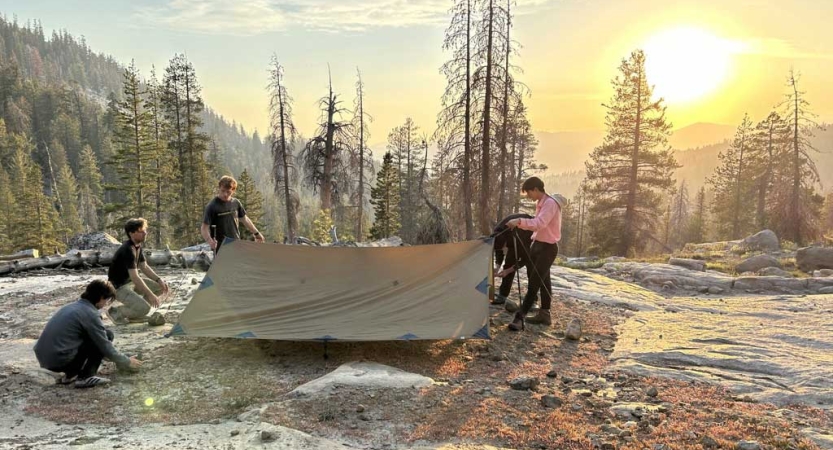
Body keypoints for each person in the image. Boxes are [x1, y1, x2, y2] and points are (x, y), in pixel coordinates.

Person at [34, 280, 143, 388]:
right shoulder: (90, 314)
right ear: (101, 298)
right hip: (60, 360)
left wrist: (120, 359)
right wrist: (126, 361)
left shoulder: (72, 306)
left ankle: (70, 375)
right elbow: (104, 345)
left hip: (45, 359)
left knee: (100, 336)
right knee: (107, 336)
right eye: (107, 300)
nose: (105, 304)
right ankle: (85, 377)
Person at [504, 177, 564, 330]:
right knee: (544, 281)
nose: (529, 196)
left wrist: (518, 221)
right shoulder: (541, 203)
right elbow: (538, 226)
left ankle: (519, 318)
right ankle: (545, 314)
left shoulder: (550, 203)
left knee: (535, 283)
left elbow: (539, 224)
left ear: (536, 189)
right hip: (538, 245)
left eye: (529, 192)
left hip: (547, 248)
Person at [106, 218, 169, 324]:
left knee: (159, 288)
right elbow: (135, 277)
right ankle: (116, 312)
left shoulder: (137, 246)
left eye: (145, 230)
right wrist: (150, 294)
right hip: (118, 287)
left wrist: (159, 280)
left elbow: (144, 267)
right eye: (141, 231)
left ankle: (136, 313)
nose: (145, 233)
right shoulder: (127, 250)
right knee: (145, 308)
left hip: (130, 283)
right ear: (131, 233)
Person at [201, 175, 264, 254]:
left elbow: (245, 219)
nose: (225, 194)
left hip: (236, 245)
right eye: (223, 191)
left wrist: (257, 233)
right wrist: (210, 241)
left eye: (228, 192)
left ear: (233, 190)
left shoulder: (236, 203)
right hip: (220, 248)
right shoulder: (212, 206)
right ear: (219, 188)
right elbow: (204, 228)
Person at [491, 213, 533, 313]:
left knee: (531, 267)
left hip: (529, 234)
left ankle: (532, 299)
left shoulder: (520, 237)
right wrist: (497, 267)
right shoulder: (497, 233)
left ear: (506, 242)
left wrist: (508, 271)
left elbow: (525, 259)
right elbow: (499, 250)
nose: (503, 249)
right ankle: (502, 295)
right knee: (508, 263)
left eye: (504, 247)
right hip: (512, 236)